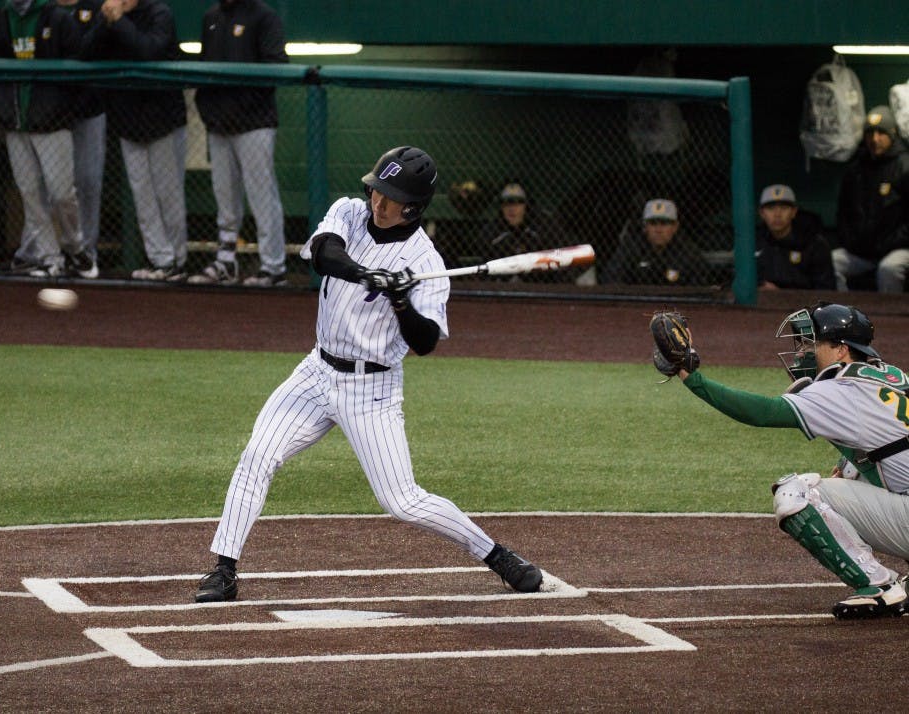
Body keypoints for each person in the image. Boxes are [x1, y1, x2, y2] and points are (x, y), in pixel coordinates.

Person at [194, 146, 543, 603]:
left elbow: (424, 342)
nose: (377, 202)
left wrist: (400, 299)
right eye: (376, 190)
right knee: (257, 455)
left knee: (402, 501)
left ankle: (497, 556)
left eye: (389, 197)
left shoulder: (427, 264)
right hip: (316, 372)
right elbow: (322, 253)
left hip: (371, 389)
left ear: (413, 207)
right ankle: (224, 569)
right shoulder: (349, 212)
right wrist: (367, 274)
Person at [656, 302, 909, 619]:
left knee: (797, 492)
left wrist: (691, 377)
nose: (803, 351)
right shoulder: (892, 380)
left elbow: (761, 413)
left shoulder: (840, 387)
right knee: (851, 472)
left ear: (841, 349)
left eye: (811, 342)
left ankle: (880, 586)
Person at [0, 0, 97, 279]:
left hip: (51, 123)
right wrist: (3, 109)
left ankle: (75, 248)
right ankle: (50, 257)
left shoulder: (57, 18)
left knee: (61, 193)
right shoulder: (1, 18)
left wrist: (58, 110)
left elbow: (77, 69)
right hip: (16, 121)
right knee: (30, 193)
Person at [81, 0, 187, 281]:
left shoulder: (159, 13)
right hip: (128, 121)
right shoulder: (109, 17)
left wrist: (119, 22)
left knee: (168, 194)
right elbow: (86, 52)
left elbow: (149, 51)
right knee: (143, 197)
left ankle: (177, 261)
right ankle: (159, 260)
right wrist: (106, 23)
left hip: (163, 120)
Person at [188, 0, 289, 288]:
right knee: (225, 196)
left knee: (261, 194)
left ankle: (273, 266)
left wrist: (240, 106)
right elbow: (205, 66)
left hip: (254, 124)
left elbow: (277, 66)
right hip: (219, 125)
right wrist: (210, 110)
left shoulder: (264, 16)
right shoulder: (211, 16)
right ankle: (226, 260)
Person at [832, 105, 909, 293]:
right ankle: (844, 317)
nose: (875, 139)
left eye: (881, 133)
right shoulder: (856, 170)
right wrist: (851, 241)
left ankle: (893, 320)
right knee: (832, 261)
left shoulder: (905, 167)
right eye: (870, 133)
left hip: (898, 249)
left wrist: (889, 243)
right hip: (861, 251)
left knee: (888, 269)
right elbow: (843, 213)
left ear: (892, 134)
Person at [55, 0, 106, 274]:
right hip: (53, 114)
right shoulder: (46, 10)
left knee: (88, 182)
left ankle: (86, 251)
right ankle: (56, 253)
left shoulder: (96, 7)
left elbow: (94, 50)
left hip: (89, 109)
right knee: (55, 187)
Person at [600, 198, 707, 286]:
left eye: (664, 224)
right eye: (653, 223)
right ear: (645, 227)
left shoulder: (688, 252)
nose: (658, 230)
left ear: (675, 227)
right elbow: (611, 278)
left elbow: (699, 286)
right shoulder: (632, 247)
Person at [755, 184, 835, 291]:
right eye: (771, 208)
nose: (777, 214)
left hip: (807, 305)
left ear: (794, 212)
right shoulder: (753, 242)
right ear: (762, 213)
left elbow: (826, 290)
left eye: (784, 208)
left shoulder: (814, 243)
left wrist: (781, 294)